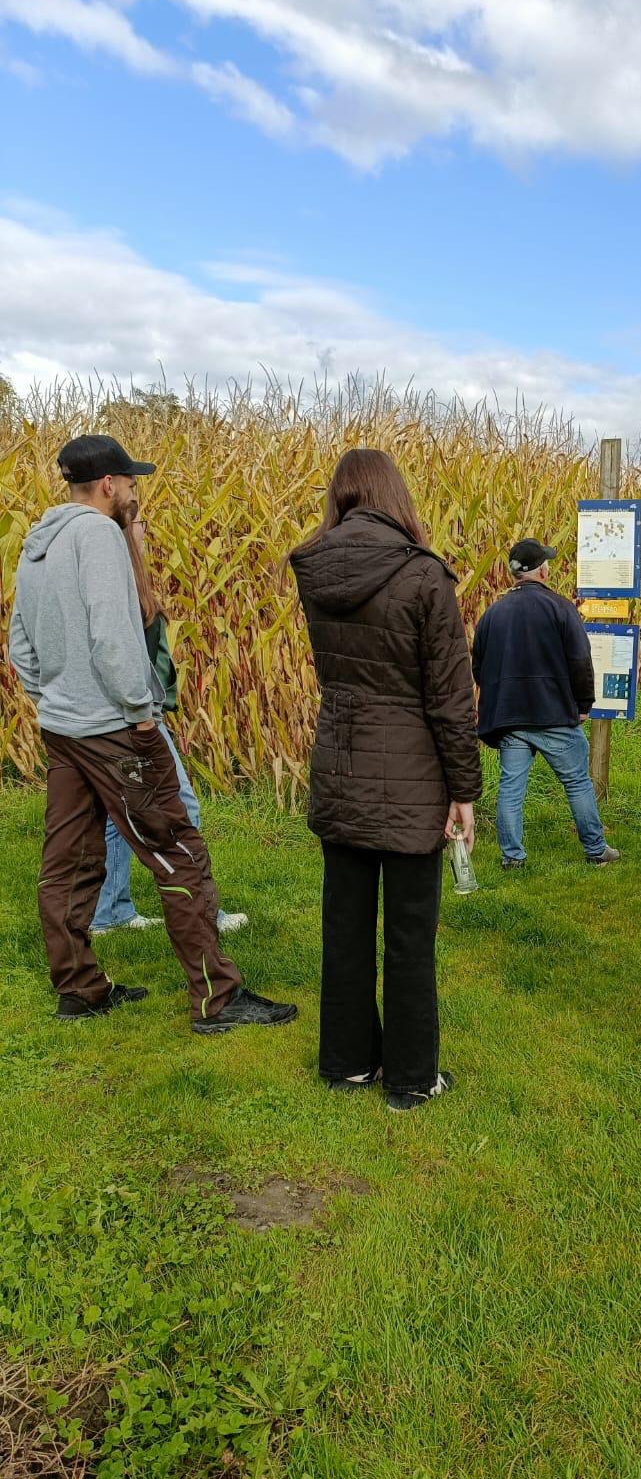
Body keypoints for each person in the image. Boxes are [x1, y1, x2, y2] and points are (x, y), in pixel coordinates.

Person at [8, 435, 295, 1034]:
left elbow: (19, 646)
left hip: (63, 731)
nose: (134, 492)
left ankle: (80, 988)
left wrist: (52, 697)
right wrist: (140, 710)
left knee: (68, 860)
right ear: (109, 484)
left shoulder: (38, 543)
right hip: (115, 729)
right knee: (179, 852)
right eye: (131, 482)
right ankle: (219, 1000)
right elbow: (114, 634)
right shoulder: (99, 536)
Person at [289, 448, 481, 1111]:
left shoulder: (313, 567)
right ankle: (410, 1078)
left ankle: (345, 1063)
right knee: (408, 934)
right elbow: (451, 698)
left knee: (344, 925)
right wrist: (464, 792)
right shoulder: (424, 575)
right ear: (394, 495)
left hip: (338, 765)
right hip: (411, 779)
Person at [91, 513, 248, 936]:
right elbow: (119, 657)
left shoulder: (125, 580)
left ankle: (109, 913)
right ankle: (203, 914)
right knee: (181, 808)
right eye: (140, 521)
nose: (147, 528)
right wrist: (145, 715)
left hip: (126, 717)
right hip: (136, 719)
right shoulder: (119, 583)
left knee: (117, 815)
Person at [471, 539, 619, 870]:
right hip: (552, 714)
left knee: (511, 789)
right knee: (577, 782)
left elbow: (478, 667)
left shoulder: (492, 615)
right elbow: (580, 659)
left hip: (509, 718)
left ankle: (512, 858)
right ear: (542, 570)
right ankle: (596, 850)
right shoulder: (560, 607)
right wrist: (584, 703)